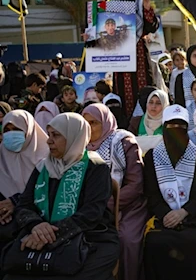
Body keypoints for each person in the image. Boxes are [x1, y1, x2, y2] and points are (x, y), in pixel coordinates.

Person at [5, 113, 119, 280]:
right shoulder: (43, 167)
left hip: (90, 237)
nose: (49, 140)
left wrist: (50, 235)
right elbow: (24, 205)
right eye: (49, 134)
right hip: (39, 235)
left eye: (56, 135)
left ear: (75, 136)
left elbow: (92, 212)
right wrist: (36, 226)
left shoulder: (95, 167)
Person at [142, 105, 196, 280]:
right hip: (163, 216)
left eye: (181, 128)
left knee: (188, 240)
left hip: (194, 216)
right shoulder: (152, 157)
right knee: (154, 242)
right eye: (171, 127)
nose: (176, 133)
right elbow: (151, 193)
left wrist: (184, 211)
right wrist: (166, 213)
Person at [82, 104, 146, 280]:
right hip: (91, 209)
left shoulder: (124, 141)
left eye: (94, 123)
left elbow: (136, 184)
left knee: (127, 239)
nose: (89, 128)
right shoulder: (80, 145)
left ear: (105, 122)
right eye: (85, 123)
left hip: (127, 205)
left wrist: (108, 204)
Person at [109, 0, 163, 118]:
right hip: (120, 53)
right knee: (122, 88)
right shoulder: (114, 6)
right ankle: (126, 125)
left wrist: (146, 9)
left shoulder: (141, 3)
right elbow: (104, 27)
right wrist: (90, 35)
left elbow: (152, 27)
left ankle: (144, 123)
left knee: (142, 86)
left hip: (139, 51)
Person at [0, 110, 49, 248]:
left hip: (40, 220)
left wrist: (16, 202)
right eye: (7, 130)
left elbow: (50, 192)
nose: (11, 134)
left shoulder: (48, 158)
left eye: (16, 129)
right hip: (7, 222)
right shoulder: (1, 155)